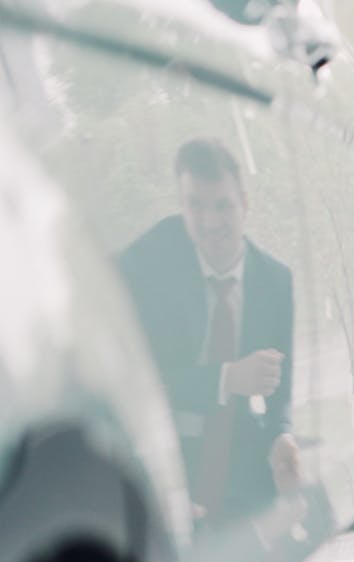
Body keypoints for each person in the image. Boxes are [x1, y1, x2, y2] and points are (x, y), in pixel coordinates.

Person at [119, 138, 298, 530]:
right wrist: (229, 377)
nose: (210, 222)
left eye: (222, 206)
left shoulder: (276, 282)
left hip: (242, 458)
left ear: (244, 204)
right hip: (166, 459)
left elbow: (281, 389)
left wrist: (282, 435)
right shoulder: (148, 262)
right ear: (180, 205)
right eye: (194, 206)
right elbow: (146, 378)